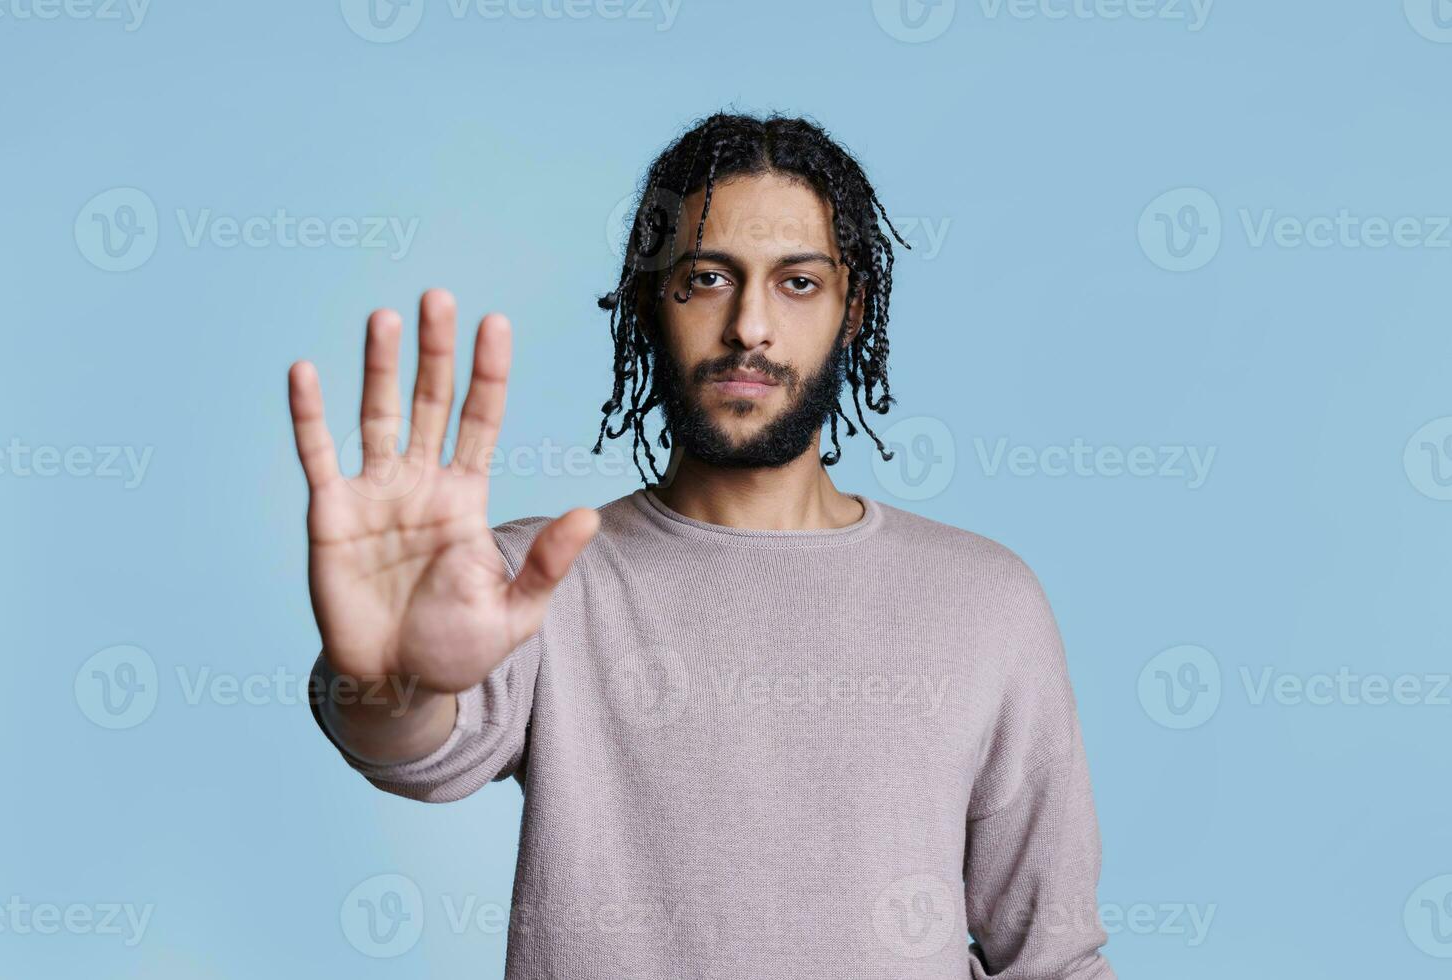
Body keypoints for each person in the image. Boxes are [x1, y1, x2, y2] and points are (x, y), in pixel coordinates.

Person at [289, 110, 1116, 979]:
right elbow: (412, 746)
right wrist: (388, 680)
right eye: (710, 277)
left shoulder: (985, 597)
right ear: (651, 298)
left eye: (797, 282)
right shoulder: (533, 580)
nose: (750, 327)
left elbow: (1053, 957)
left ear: (851, 308)